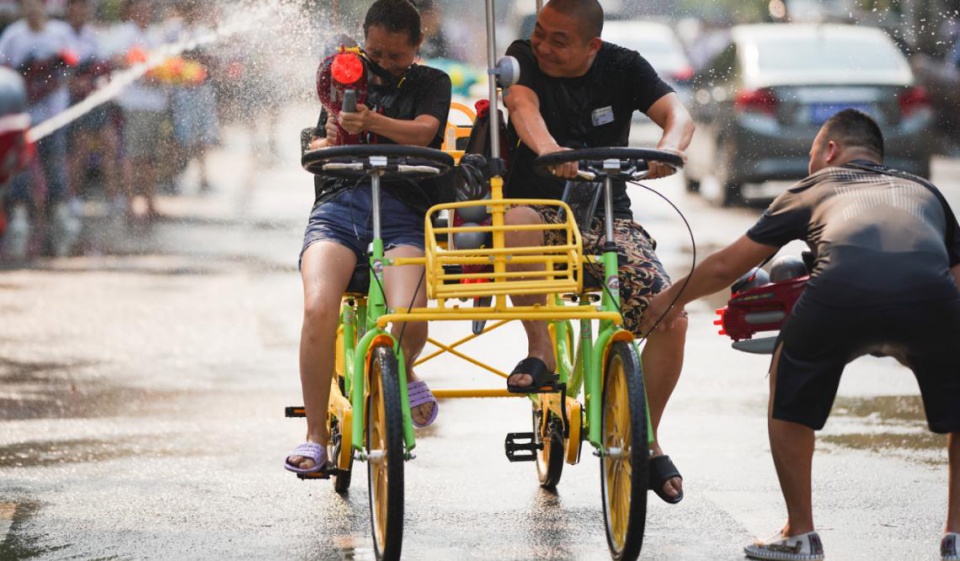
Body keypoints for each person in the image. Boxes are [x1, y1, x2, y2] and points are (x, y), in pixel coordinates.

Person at [640, 108, 960, 561]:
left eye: (812, 154)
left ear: (829, 151)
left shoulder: (813, 188)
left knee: (785, 377)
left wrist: (669, 300)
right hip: (931, 300)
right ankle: (957, 535)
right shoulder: (924, 191)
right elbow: (956, 278)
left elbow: (728, 265)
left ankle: (801, 533)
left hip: (838, 295)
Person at [500, 0, 695, 504]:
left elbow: (678, 115)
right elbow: (522, 107)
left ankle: (646, 438)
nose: (543, 46)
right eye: (540, 32)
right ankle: (541, 350)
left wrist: (670, 148)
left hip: (609, 218)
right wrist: (549, 152)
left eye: (558, 40)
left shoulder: (624, 66)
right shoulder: (523, 56)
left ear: (593, 45)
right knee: (514, 222)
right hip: (539, 211)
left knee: (672, 319)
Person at [285, 0, 451, 474]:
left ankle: (402, 366)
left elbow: (425, 132)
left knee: (408, 317)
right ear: (363, 40)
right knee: (319, 308)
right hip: (337, 210)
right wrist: (330, 137)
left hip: (403, 212)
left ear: (417, 46)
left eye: (396, 56)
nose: (384, 64)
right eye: (375, 53)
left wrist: (371, 123)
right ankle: (315, 437)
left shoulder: (432, 82)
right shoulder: (346, 72)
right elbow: (316, 141)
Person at [0, 0, 80, 258]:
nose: (33, 9)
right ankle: (19, 215)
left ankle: (60, 214)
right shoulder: (13, 35)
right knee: (20, 168)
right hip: (23, 117)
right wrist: (28, 78)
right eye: (27, 4)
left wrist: (51, 77)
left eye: (36, 4)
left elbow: (72, 65)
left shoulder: (60, 32)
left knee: (55, 164)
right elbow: (5, 73)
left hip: (54, 115)